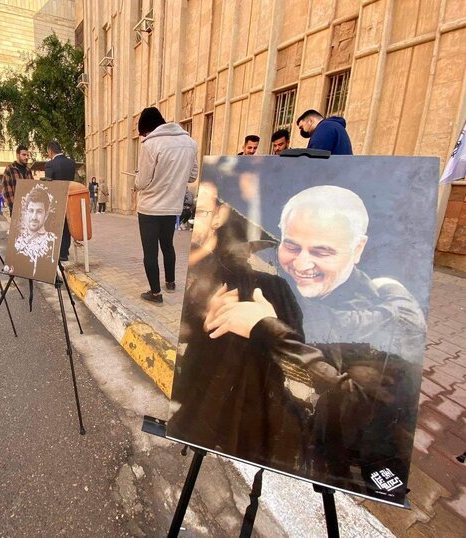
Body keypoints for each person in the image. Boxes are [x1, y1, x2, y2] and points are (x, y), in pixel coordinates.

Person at [205, 185, 424, 498]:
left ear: (358, 248)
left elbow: (352, 395)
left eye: (322, 251)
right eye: (292, 246)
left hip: (351, 465)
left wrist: (265, 328)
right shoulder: (287, 291)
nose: (302, 264)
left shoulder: (389, 315)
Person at [168, 182, 310, 473]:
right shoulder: (214, 279)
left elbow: (296, 357)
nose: (242, 252)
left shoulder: (272, 287)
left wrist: (262, 325)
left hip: (230, 408)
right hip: (222, 405)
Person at [134, 106, 198, 304]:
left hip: (149, 208)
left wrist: (135, 182)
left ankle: (155, 294)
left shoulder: (150, 145)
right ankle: (170, 283)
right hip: (172, 207)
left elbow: (142, 181)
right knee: (168, 246)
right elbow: (193, 175)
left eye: (143, 133)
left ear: (147, 129)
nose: (144, 136)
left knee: (150, 252)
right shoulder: (190, 143)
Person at [14, 183, 58, 278]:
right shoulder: (18, 241)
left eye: (39, 211)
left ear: (46, 215)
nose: (34, 217)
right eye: (31, 211)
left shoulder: (52, 242)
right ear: (26, 213)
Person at [44, 140, 76, 261]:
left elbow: (48, 184)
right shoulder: (71, 163)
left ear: (50, 151)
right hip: (68, 199)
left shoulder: (50, 164)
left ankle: (55, 252)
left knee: (54, 226)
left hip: (55, 201)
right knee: (67, 226)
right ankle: (64, 253)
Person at [1, 145, 33, 216]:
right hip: (16, 211)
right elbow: (6, 191)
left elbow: (32, 189)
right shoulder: (10, 169)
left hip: (29, 211)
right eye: (24, 155)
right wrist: (15, 207)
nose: (26, 157)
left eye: (27, 155)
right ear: (18, 155)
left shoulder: (28, 170)